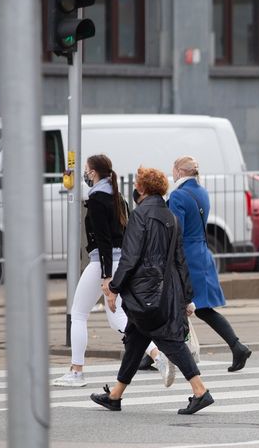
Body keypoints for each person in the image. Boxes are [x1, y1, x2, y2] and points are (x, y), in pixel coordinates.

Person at [90, 166, 213, 415]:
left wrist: (114, 287)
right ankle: (115, 395)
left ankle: (200, 391)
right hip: (166, 291)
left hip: (143, 294)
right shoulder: (171, 217)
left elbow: (130, 257)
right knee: (135, 342)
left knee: (172, 342)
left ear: (143, 188)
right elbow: (180, 260)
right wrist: (187, 296)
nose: (135, 186)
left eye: (137, 183)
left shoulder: (140, 216)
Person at [53, 154, 171, 389]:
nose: (85, 174)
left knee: (78, 314)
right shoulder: (116, 195)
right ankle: (158, 356)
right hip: (119, 262)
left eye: (86, 170)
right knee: (118, 318)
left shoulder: (97, 199)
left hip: (102, 264)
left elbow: (104, 241)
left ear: (94, 173)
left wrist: (107, 278)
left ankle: (76, 372)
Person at [167, 156, 252, 372]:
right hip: (202, 253)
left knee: (175, 306)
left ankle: (158, 355)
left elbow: (177, 232)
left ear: (178, 171)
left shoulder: (178, 195)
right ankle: (237, 346)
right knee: (202, 309)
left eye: (173, 170)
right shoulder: (202, 191)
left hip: (186, 256)